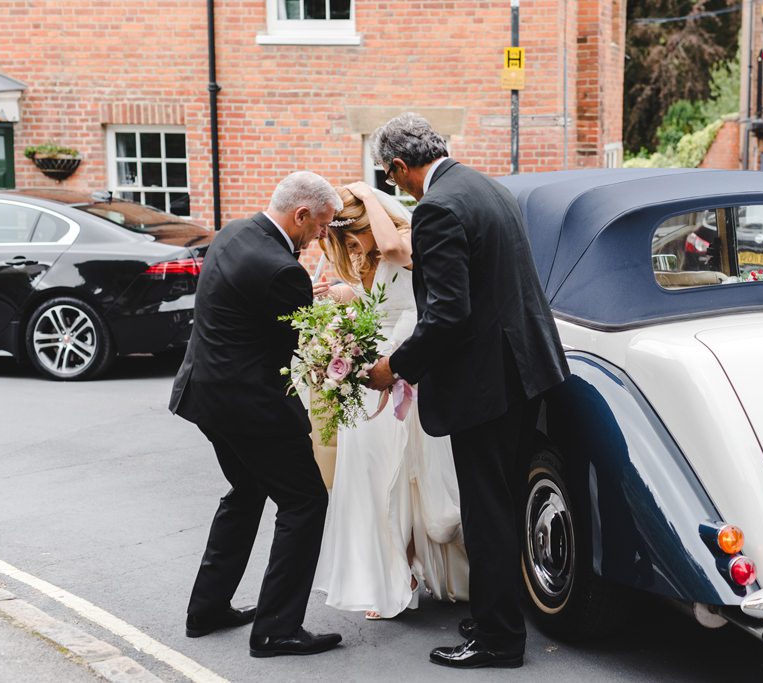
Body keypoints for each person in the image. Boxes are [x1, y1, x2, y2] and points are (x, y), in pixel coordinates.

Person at [361, 113, 566, 670]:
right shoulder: (486, 186)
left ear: (401, 166)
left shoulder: (437, 207)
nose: (393, 186)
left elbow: (449, 313)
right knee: (500, 503)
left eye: (390, 176)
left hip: (486, 384)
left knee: (487, 512)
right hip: (525, 370)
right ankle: (497, 614)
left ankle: (499, 640)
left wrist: (396, 367)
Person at [169, 171, 344, 658]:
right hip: (251, 406)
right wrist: (323, 307)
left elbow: (251, 307)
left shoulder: (235, 232)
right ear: (301, 215)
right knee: (305, 502)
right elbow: (293, 346)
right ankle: (276, 630)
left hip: (205, 395)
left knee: (246, 492)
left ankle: (206, 609)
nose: (324, 235)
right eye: (323, 225)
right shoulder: (282, 270)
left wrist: (306, 295)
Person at [311, 182, 470, 621]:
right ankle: (394, 573)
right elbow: (378, 304)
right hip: (369, 373)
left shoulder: (404, 241)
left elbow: (394, 259)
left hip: (404, 369)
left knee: (410, 477)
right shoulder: (361, 254)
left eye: (353, 236)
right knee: (371, 478)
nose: (353, 248)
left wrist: (367, 190)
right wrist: (348, 299)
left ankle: (415, 565)